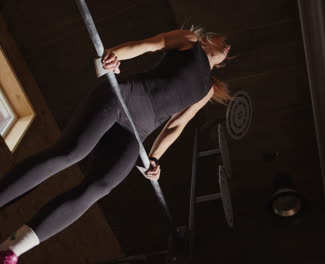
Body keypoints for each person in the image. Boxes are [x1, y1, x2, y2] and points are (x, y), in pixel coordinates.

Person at [0, 25, 234, 263]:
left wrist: (154, 158)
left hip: (137, 131)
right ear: (209, 39)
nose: (227, 46)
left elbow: (177, 124)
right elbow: (148, 45)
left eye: (229, 48)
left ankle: (11, 249)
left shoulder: (207, 90)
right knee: (70, 153)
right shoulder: (189, 41)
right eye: (224, 39)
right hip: (123, 98)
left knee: (100, 186)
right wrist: (114, 56)